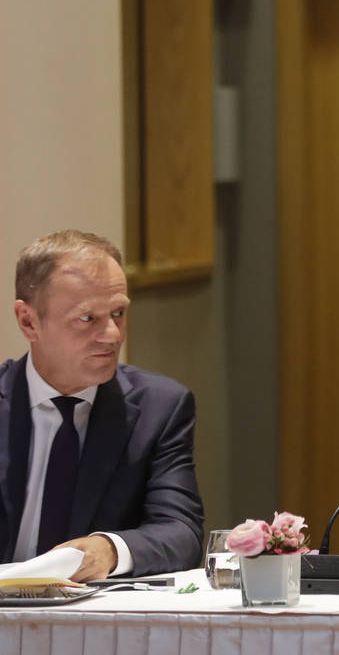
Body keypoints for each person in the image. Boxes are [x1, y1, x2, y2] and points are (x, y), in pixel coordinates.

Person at [0, 230, 205, 581]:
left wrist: (110, 549)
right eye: (87, 318)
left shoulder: (160, 408)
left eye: (118, 313)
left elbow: (181, 532)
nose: (112, 335)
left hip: (93, 610)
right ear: (28, 321)